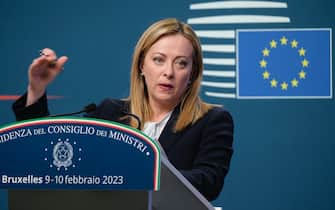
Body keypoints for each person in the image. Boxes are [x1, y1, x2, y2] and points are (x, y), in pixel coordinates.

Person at [12, 18, 234, 201]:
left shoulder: (212, 120)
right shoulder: (110, 112)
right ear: (141, 65)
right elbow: (52, 153)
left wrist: (137, 174)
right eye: (158, 60)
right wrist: (36, 89)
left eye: (181, 63)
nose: (169, 72)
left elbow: (208, 182)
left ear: (192, 74)